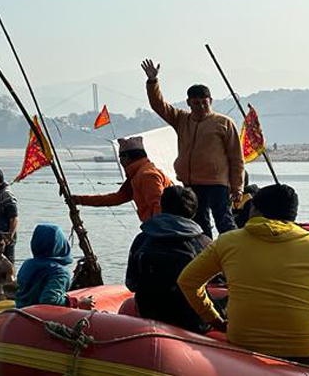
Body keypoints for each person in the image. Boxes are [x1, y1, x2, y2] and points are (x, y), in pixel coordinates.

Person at [178, 184, 309, 365]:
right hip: (306, 349)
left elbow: (187, 281)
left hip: (244, 344)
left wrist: (214, 319)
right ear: (293, 215)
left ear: (254, 210)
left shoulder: (227, 242)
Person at [142, 59, 243, 237]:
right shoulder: (182, 119)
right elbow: (159, 106)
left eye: (205, 102)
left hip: (218, 183)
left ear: (210, 100)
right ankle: (206, 257)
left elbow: (236, 158)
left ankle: (234, 256)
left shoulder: (224, 123)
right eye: (196, 103)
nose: (201, 107)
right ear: (189, 103)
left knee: (225, 223)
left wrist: (237, 187)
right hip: (191, 183)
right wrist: (152, 82)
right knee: (199, 225)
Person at [124, 186, 210, 332]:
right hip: (192, 320)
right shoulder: (204, 243)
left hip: (149, 313)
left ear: (162, 207)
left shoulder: (142, 239)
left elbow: (131, 283)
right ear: (194, 211)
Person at [73, 137, 171, 223]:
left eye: (120, 157)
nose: (120, 162)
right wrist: (80, 200)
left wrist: (158, 233)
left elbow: (159, 206)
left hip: (163, 229)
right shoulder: (137, 175)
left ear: (126, 157)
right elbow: (117, 198)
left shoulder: (147, 175)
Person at [15, 224, 74, 308]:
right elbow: (49, 300)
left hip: (21, 313)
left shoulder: (27, 264)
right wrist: (75, 302)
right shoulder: (60, 272)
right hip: (41, 318)